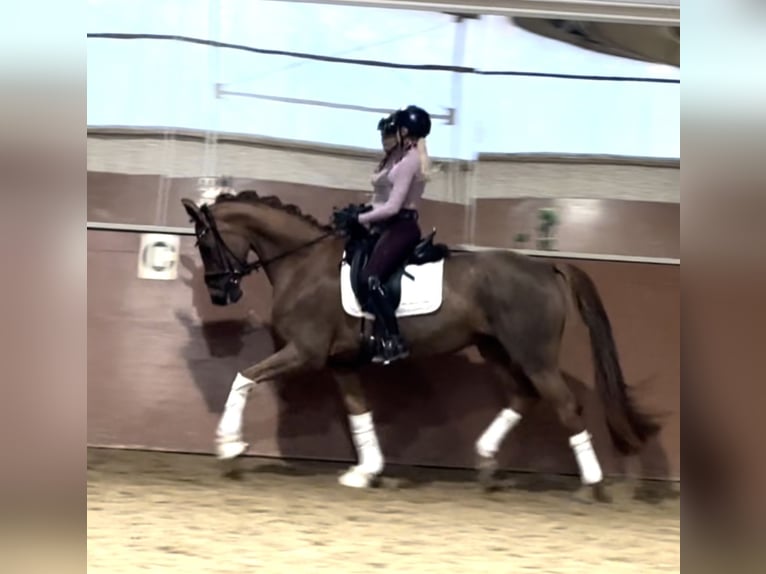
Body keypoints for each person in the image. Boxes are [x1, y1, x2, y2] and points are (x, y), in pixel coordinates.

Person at [355, 105, 433, 365]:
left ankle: (394, 339)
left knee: (371, 277)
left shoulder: (410, 161)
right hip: (388, 225)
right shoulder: (399, 156)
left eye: (396, 129)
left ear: (404, 132)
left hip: (402, 227)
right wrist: (361, 212)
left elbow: (392, 207)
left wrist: (360, 218)